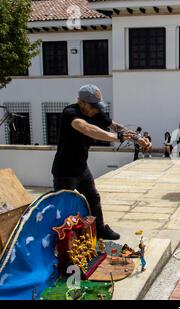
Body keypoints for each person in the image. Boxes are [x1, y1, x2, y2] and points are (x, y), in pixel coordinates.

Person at [51, 84, 150, 240]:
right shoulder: (70, 113)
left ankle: (100, 229)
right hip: (64, 171)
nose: (96, 110)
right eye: (93, 106)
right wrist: (117, 138)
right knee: (63, 206)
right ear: (81, 102)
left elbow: (115, 126)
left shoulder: (94, 111)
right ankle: (59, 239)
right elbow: (88, 128)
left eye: (98, 106)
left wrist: (138, 139)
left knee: (93, 198)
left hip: (82, 168)